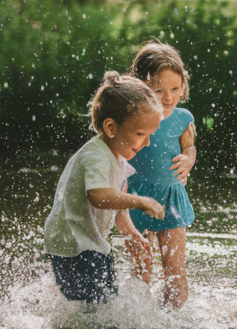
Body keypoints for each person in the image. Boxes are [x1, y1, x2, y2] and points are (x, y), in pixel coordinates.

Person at [45, 71, 164, 303]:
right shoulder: (96, 155)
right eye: (140, 133)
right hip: (71, 244)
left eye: (150, 135)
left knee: (106, 298)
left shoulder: (118, 159)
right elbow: (100, 196)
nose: (147, 142)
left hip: (90, 242)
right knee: (97, 305)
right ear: (111, 128)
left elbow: (118, 206)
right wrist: (141, 201)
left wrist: (132, 234)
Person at [126, 41, 196, 308]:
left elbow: (189, 147)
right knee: (141, 270)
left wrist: (188, 159)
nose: (168, 98)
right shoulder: (130, 117)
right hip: (134, 197)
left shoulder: (182, 118)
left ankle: (174, 322)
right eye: (159, 90)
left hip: (170, 198)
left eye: (175, 89)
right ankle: (141, 321)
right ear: (141, 87)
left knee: (175, 272)